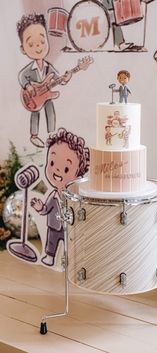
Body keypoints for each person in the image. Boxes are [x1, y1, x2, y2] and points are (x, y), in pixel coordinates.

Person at [31, 128, 90, 266]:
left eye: (66, 169)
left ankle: (70, 258)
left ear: (78, 175)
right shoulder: (53, 195)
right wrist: (40, 208)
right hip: (53, 226)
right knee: (51, 242)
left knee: (70, 242)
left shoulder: (74, 197)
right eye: (52, 163)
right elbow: (46, 209)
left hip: (69, 227)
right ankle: (50, 256)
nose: (57, 170)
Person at [17, 14, 72, 148]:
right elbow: (21, 76)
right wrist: (28, 86)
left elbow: (58, 78)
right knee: (35, 113)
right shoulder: (28, 70)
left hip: (47, 95)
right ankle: (34, 135)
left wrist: (65, 79)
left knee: (50, 110)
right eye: (31, 44)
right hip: (34, 97)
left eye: (42, 42)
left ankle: (51, 134)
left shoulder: (49, 68)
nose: (38, 47)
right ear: (23, 49)